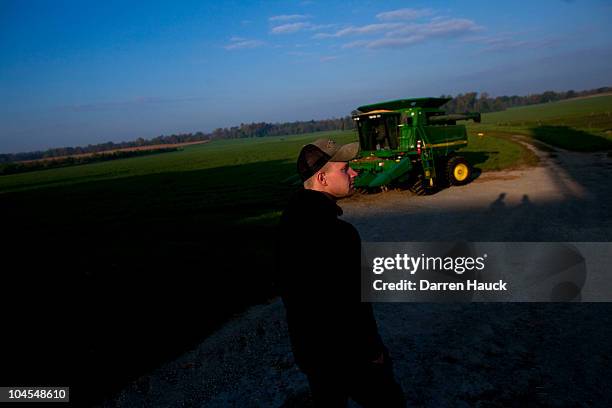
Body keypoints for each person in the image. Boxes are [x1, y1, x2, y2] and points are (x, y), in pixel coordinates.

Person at [276, 138, 405, 407]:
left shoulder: (288, 223)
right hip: (349, 355)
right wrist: (372, 350)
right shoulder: (338, 234)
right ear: (322, 178)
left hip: (310, 352)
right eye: (345, 169)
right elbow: (352, 302)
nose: (354, 173)